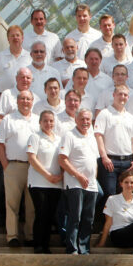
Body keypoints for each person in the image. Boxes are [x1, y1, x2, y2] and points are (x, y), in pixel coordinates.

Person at [0, 90, 38, 246]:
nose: (25, 101)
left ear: (32, 101)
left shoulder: (37, 120)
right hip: (14, 166)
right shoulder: (8, 119)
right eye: (22, 98)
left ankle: (30, 236)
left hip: (34, 168)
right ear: (17, 101)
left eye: (28, 99)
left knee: (31, 205)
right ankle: (12, 236)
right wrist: (6, 166)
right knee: (12, 204)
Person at [58, 108, 100, 255]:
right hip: (75, 183)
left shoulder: (92, 137)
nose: (85, 122)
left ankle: (84, 248)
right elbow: (62, 159)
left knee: (88, 219)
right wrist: (79, 176)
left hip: (91, 185)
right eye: (82, 119)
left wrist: (93, 178)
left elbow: (94, 161)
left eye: (88, 119)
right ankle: (72, 248)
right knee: (75, 217)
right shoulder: (69, 135)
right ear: (76, 119)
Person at [94, 84, 133, 210]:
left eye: (125, 95)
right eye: (120, 94)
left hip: (127, 162)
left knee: (126, 194)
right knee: (110, 195)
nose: (122, 97)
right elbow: (98, 136)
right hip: (110, 161)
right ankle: (108, 221)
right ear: (114, 95)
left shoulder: (131, 118)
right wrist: (104, 157)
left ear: (128, 97)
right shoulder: (104, 114)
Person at [26, 110, 63, 254]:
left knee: (50, 215)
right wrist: (47, 175)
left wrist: (60, 176)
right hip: (39, 182)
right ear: (40, 122)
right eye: (45, 121)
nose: (48, 123)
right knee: (41, 213)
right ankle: (38, 245)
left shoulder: (59, 139)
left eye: (51, 121)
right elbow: (32, 158)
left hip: (55, 184)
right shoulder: (35, 137)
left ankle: (46, 245)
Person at [96, 171, 133, 254]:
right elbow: (108, 222)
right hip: (119, 235)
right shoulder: (112, 199)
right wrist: (102, 243)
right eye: (126, 182)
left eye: (132, 182)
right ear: (121, 184)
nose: (129, 185)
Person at [0, 25, 32, 96]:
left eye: (17, 35)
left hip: (24, 98)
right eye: (12, 36)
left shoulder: (29, 57)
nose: (15, 38)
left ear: (22, 38)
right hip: (4, 97)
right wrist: (1, 95)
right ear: (8, 39)